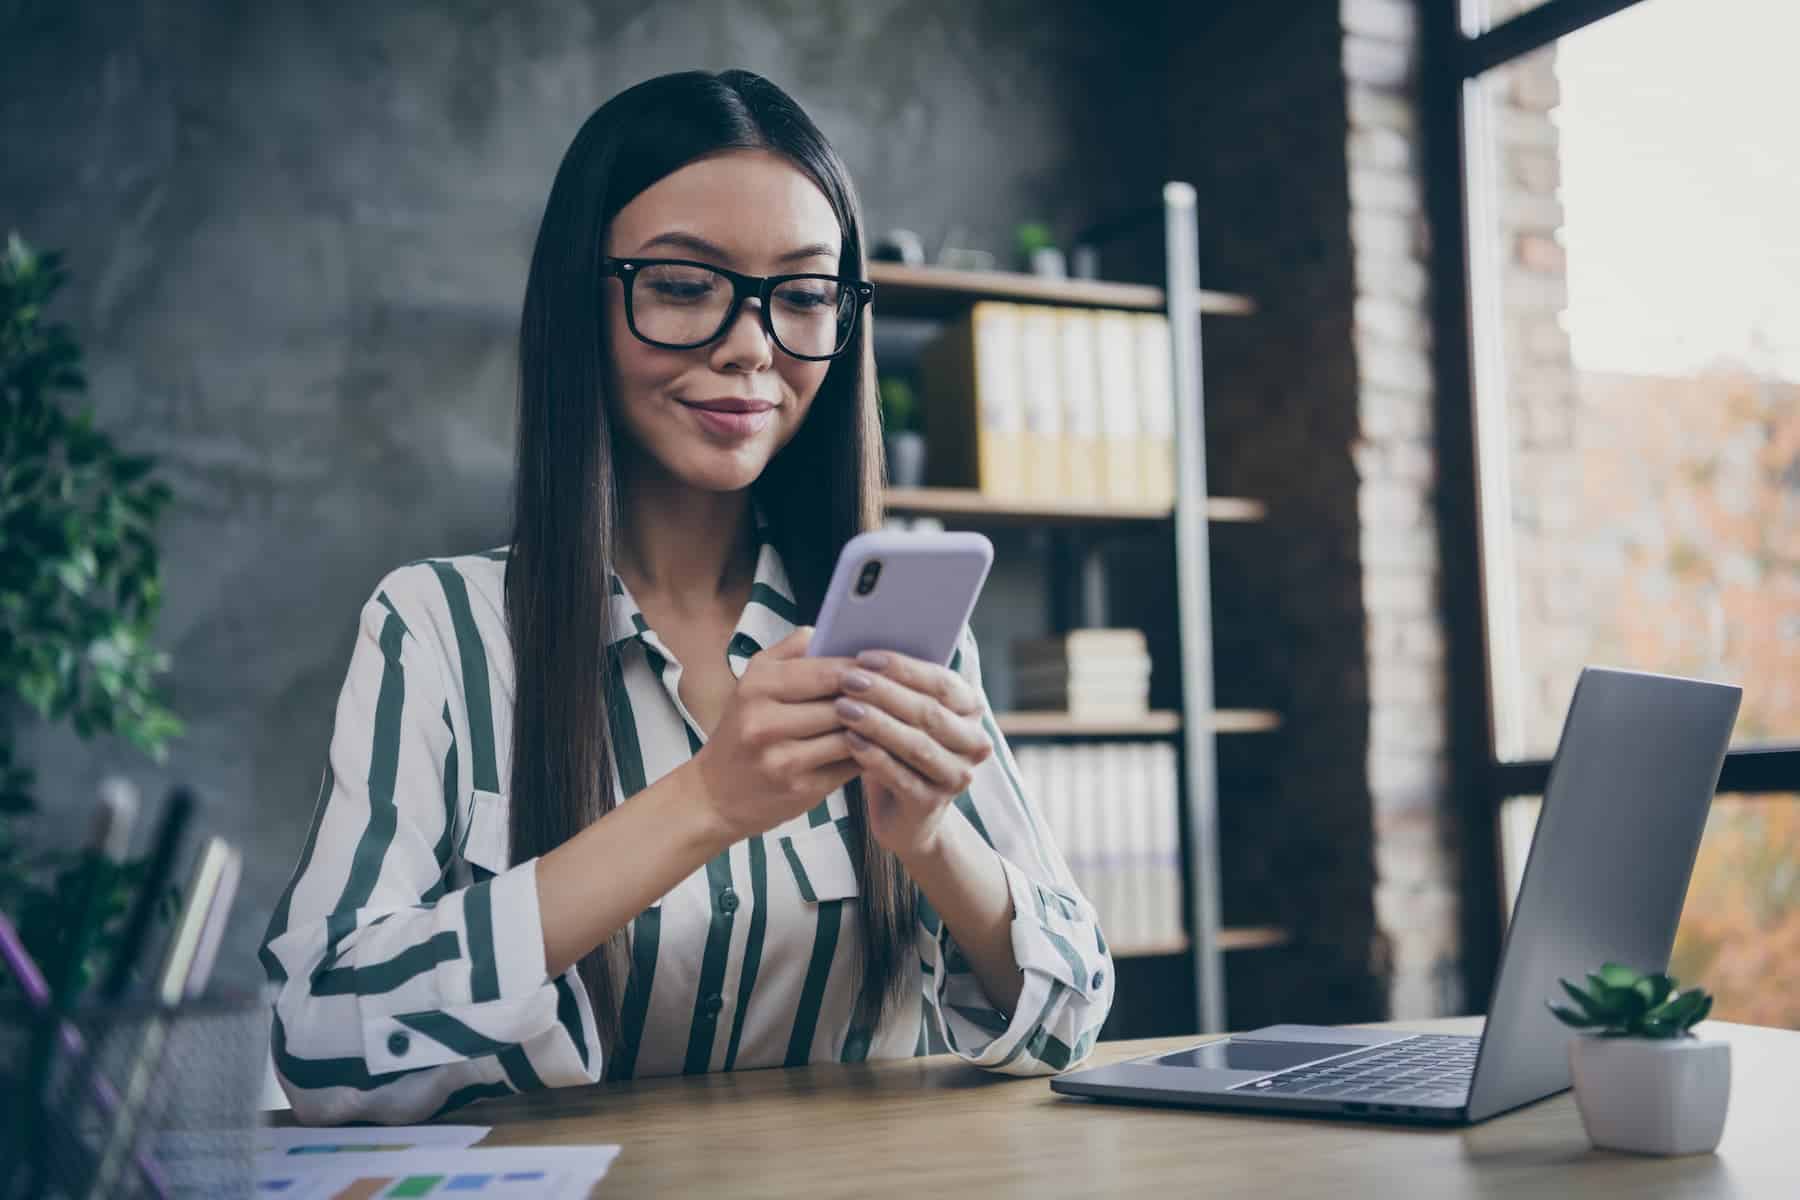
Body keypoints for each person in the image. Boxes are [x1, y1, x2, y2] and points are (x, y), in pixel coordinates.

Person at [260, 68, 1113, 1126]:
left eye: (803, 295)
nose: (752, 345)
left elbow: (1072, 1016)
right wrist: (704, 804)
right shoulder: (440, 629)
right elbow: (322, 1045)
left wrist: (932, 841)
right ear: (584, 300)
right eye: (681, 285)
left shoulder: (893, 636)